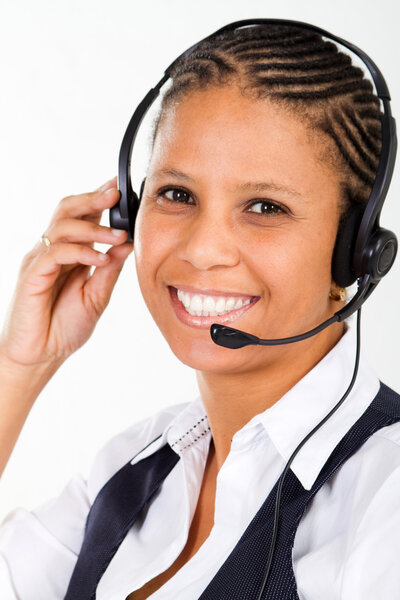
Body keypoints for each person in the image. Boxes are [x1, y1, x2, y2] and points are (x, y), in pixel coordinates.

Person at [0, 21, 399, 600]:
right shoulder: (131, 471)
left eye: (265, 206)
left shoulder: (383, 499)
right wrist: (20, 364)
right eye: (177, 194)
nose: (202, 250)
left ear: (354, 252)